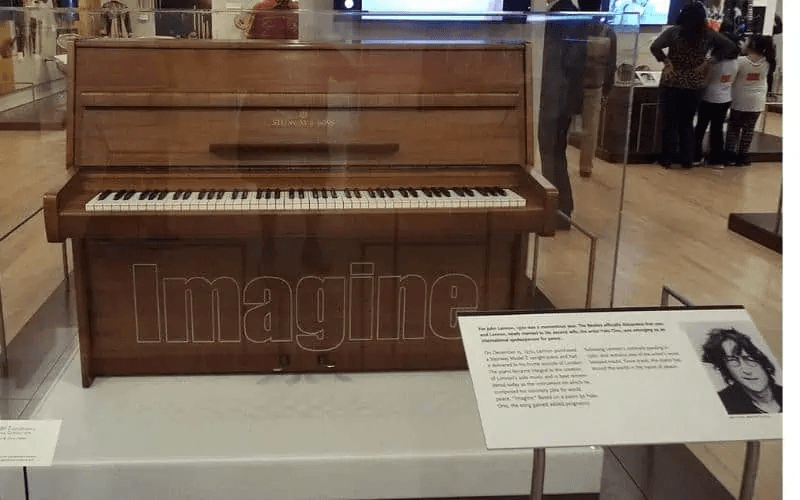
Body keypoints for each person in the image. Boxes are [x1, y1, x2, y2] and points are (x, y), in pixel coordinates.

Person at [650, 2, 736, 168]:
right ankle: (687, 159)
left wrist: (666, 62)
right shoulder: (708, 34)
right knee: (687, 122)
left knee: (670, 123)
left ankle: (667, 158)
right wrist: (708, 62)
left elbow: (655, 46)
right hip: (694, 84)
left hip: (672, 81)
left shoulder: (675, 32)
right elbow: (730, 46)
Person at [539, 0, 587, 228]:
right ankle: (560, 210)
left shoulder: (563, 13)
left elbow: (564, 61)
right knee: (555, 154)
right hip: (560, 99)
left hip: (555, 99)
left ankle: (555, 212)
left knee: (551, 154)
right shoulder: (567, 12)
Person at [701, 327, 782, 415]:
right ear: (726, 370)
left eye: (748, 358)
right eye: (733, 361)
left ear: (763, 361)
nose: (746, 370)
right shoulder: (721, 403)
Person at [577, 0, 617, 178]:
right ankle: (586, 167)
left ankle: (558, 163)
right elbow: (611, 64)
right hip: (595, 84)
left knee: (562, 126)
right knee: (590, 129)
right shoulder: (608, 32)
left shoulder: (575, 28)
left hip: (572, 83)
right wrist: (608, 87)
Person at [723, 34, 774, 166]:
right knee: (749, 130)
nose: (743, 44)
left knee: (734, 128)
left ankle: (729, 156)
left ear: (751, 45)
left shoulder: (740, 61)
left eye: (745, 42)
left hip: (739, 100)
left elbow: (731, 78)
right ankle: (742, 156)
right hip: (757, 102)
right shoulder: (767, 62)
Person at [693, 33, 738, 166]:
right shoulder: (736, 62)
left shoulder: (713, 63)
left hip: (708, 97)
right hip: (725, 98)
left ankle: (695, 156)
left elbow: (705, 81)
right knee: (717, 130)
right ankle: (716, 159)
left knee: (700, 127)